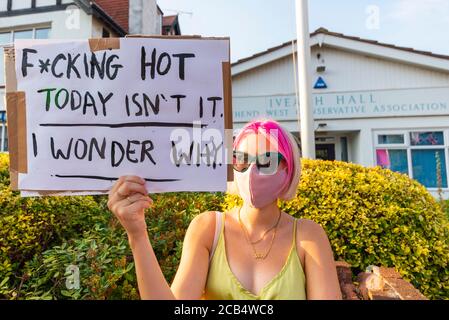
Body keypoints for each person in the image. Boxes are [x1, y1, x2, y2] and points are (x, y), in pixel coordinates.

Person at [107, 119, 342, 300]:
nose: (251, 171)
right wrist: (137, 235)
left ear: (288, 169)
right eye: (240, 159)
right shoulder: (208, 228)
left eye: (267, 161)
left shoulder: (308, 236)